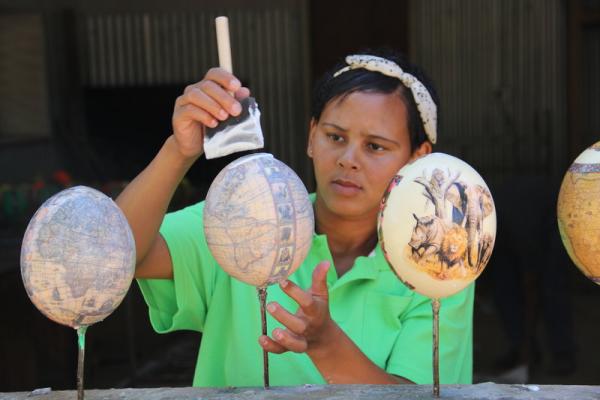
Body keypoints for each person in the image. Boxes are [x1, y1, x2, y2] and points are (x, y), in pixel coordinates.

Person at [116, 48, 474, 387]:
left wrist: (328, 347)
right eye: (335, 136)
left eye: (375, 146)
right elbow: (117, 256)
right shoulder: (242, 217)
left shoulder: (439, 261)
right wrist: (179, 150)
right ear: (311, 136)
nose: (348, 159)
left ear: (417, 158)